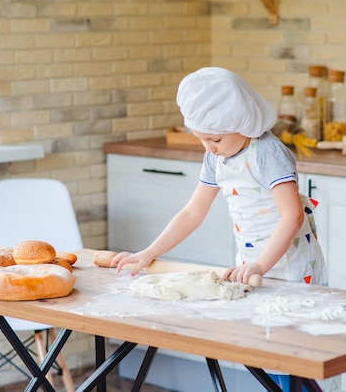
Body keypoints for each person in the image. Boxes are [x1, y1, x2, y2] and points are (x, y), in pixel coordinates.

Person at [113, 67, 326, 285]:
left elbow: (292, 216)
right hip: (249, 267)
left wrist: (261, 264)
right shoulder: (216, 157)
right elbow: (192, 213)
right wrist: (149, 253)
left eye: (215, 139)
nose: (209, 148)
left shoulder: (268, 152)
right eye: (201, 139)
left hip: (293, 268)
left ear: (243, 123)